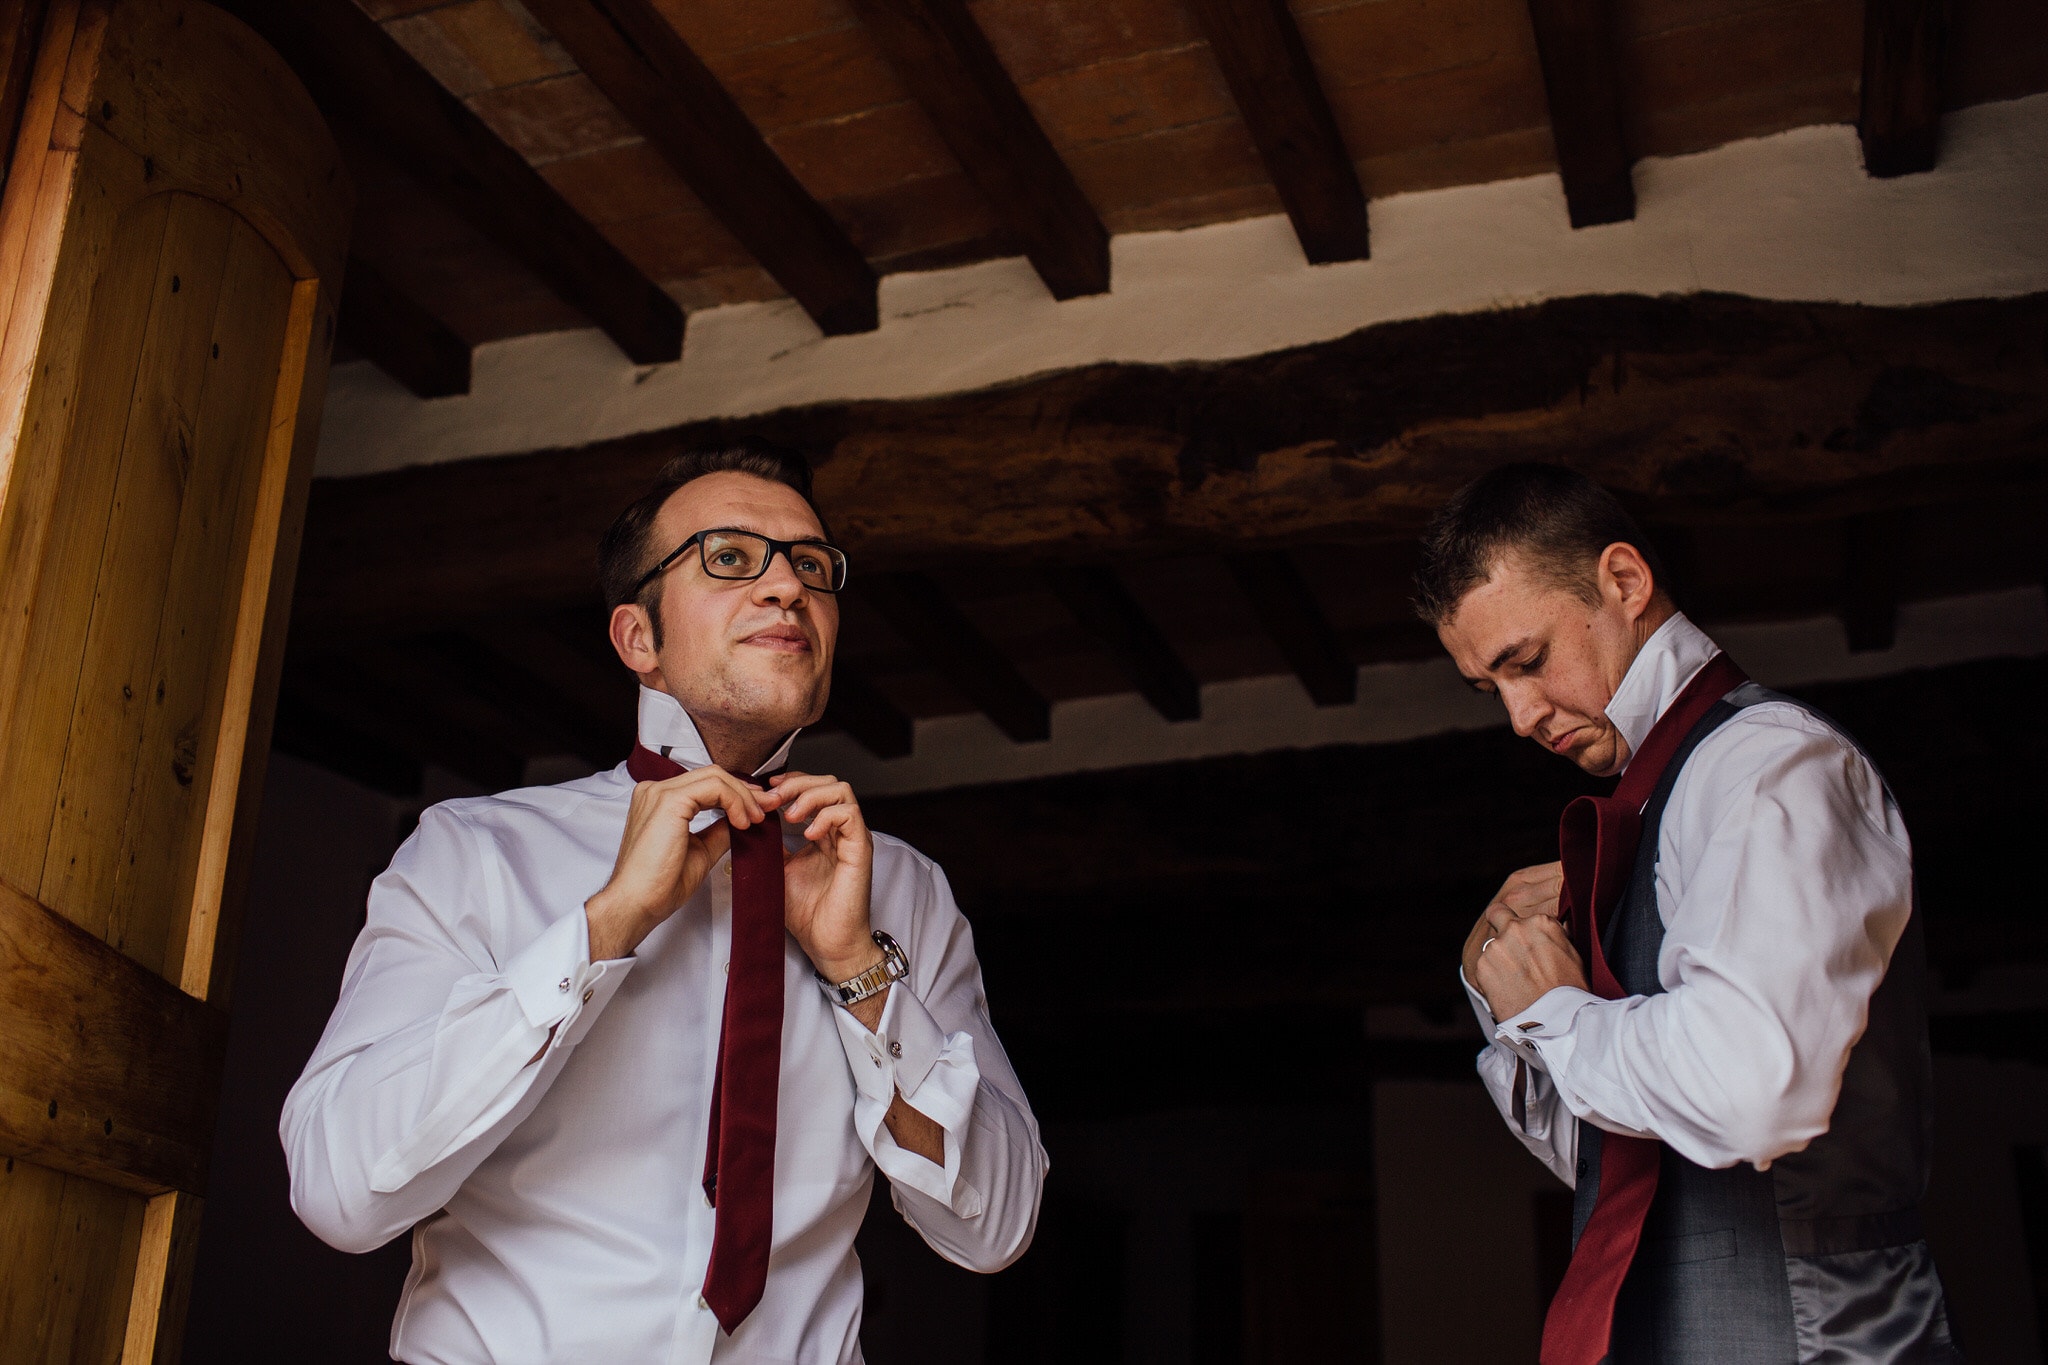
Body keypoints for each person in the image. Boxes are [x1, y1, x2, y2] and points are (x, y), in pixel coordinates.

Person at [283, 446, 1046, 1363]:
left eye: (811, 565)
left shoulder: (904, 891)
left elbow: (996, 1225)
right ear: (637, 639)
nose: (785, 589)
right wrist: (606, 924)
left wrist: (859, 970)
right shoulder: (475, 851)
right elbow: (337, 1189)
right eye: (730, 558)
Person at [1412, 463, 1958, 1364]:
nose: (1518, 716)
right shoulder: (1654, 802)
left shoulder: (1769, 768)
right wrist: (1515, 1010)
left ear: (1623, 582)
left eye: (1528, 661)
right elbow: (1636, 1172)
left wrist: (1561, 1016)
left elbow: (1750, 1095)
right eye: (1491, 688)